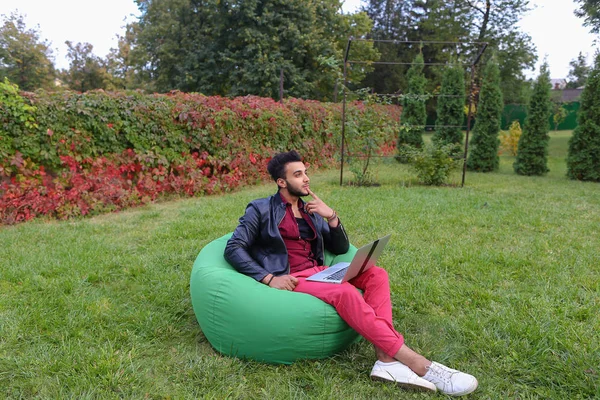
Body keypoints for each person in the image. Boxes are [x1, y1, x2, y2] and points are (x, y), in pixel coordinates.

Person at [224, 150, 478, 396]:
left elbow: (341, 248)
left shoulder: (310, 210)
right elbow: (233, 248)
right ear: (281, 182)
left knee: (377, 274)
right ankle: (419, 364)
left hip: (320, 271)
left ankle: (386, 360)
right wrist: (270, 278)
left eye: (306, 173)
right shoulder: (260, 209)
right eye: (298, 174)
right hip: (293, 277)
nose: (306, 178)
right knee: (344, 292)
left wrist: (331, 217)